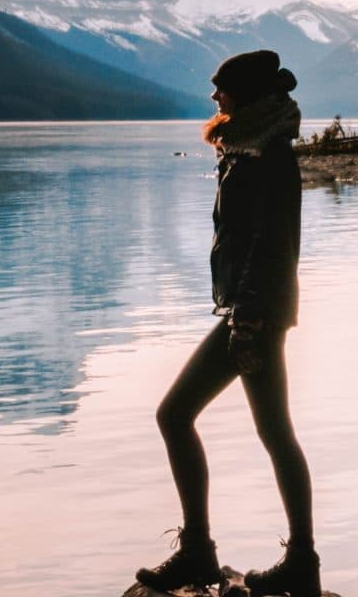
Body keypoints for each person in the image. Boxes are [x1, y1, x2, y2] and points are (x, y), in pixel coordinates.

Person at [138, 49, 320, 596]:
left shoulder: (268, 155)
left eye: (222, 89)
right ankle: (297, 564)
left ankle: (203, 554)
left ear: (244, 94)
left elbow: (272, 242)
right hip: (252, 309)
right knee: (272, 432)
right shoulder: (246, 146)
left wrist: (246, 318)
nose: (215, 98)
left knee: (176, 414)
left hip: (254, 312)